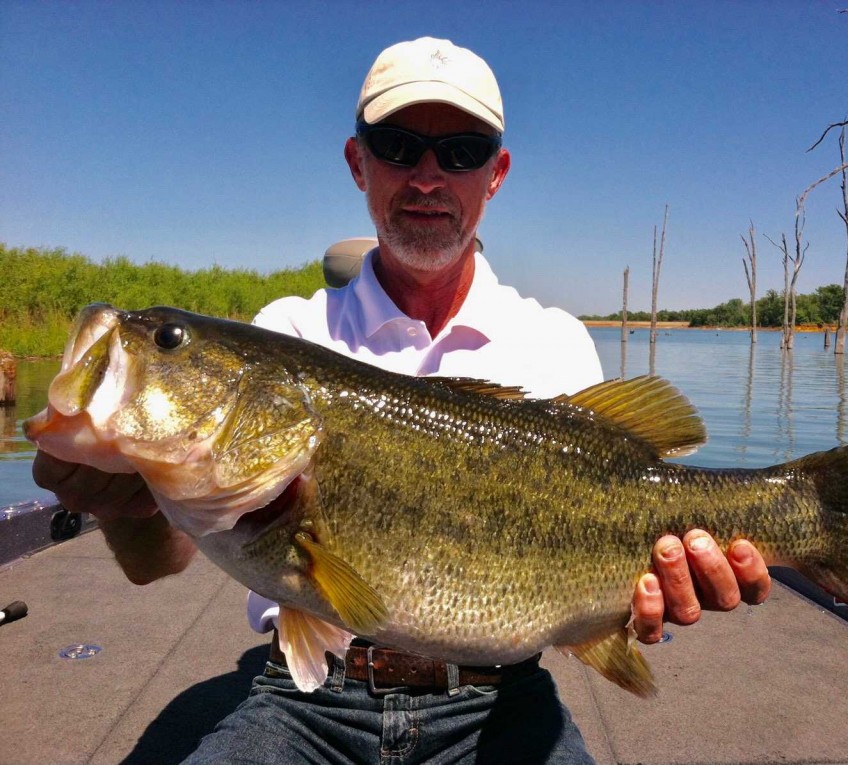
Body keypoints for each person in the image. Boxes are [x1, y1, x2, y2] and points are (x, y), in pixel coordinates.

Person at [32, 37, 771, 765]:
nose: (426, 175)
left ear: (497, 173)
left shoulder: (554, 344)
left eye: (461, 151)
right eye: (397, 145)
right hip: (306, 700)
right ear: (359, 161)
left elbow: (621, 594)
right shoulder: (288, 331)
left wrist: (646, 607)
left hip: (500, 703)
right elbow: (154, 561)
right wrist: (121, 501)